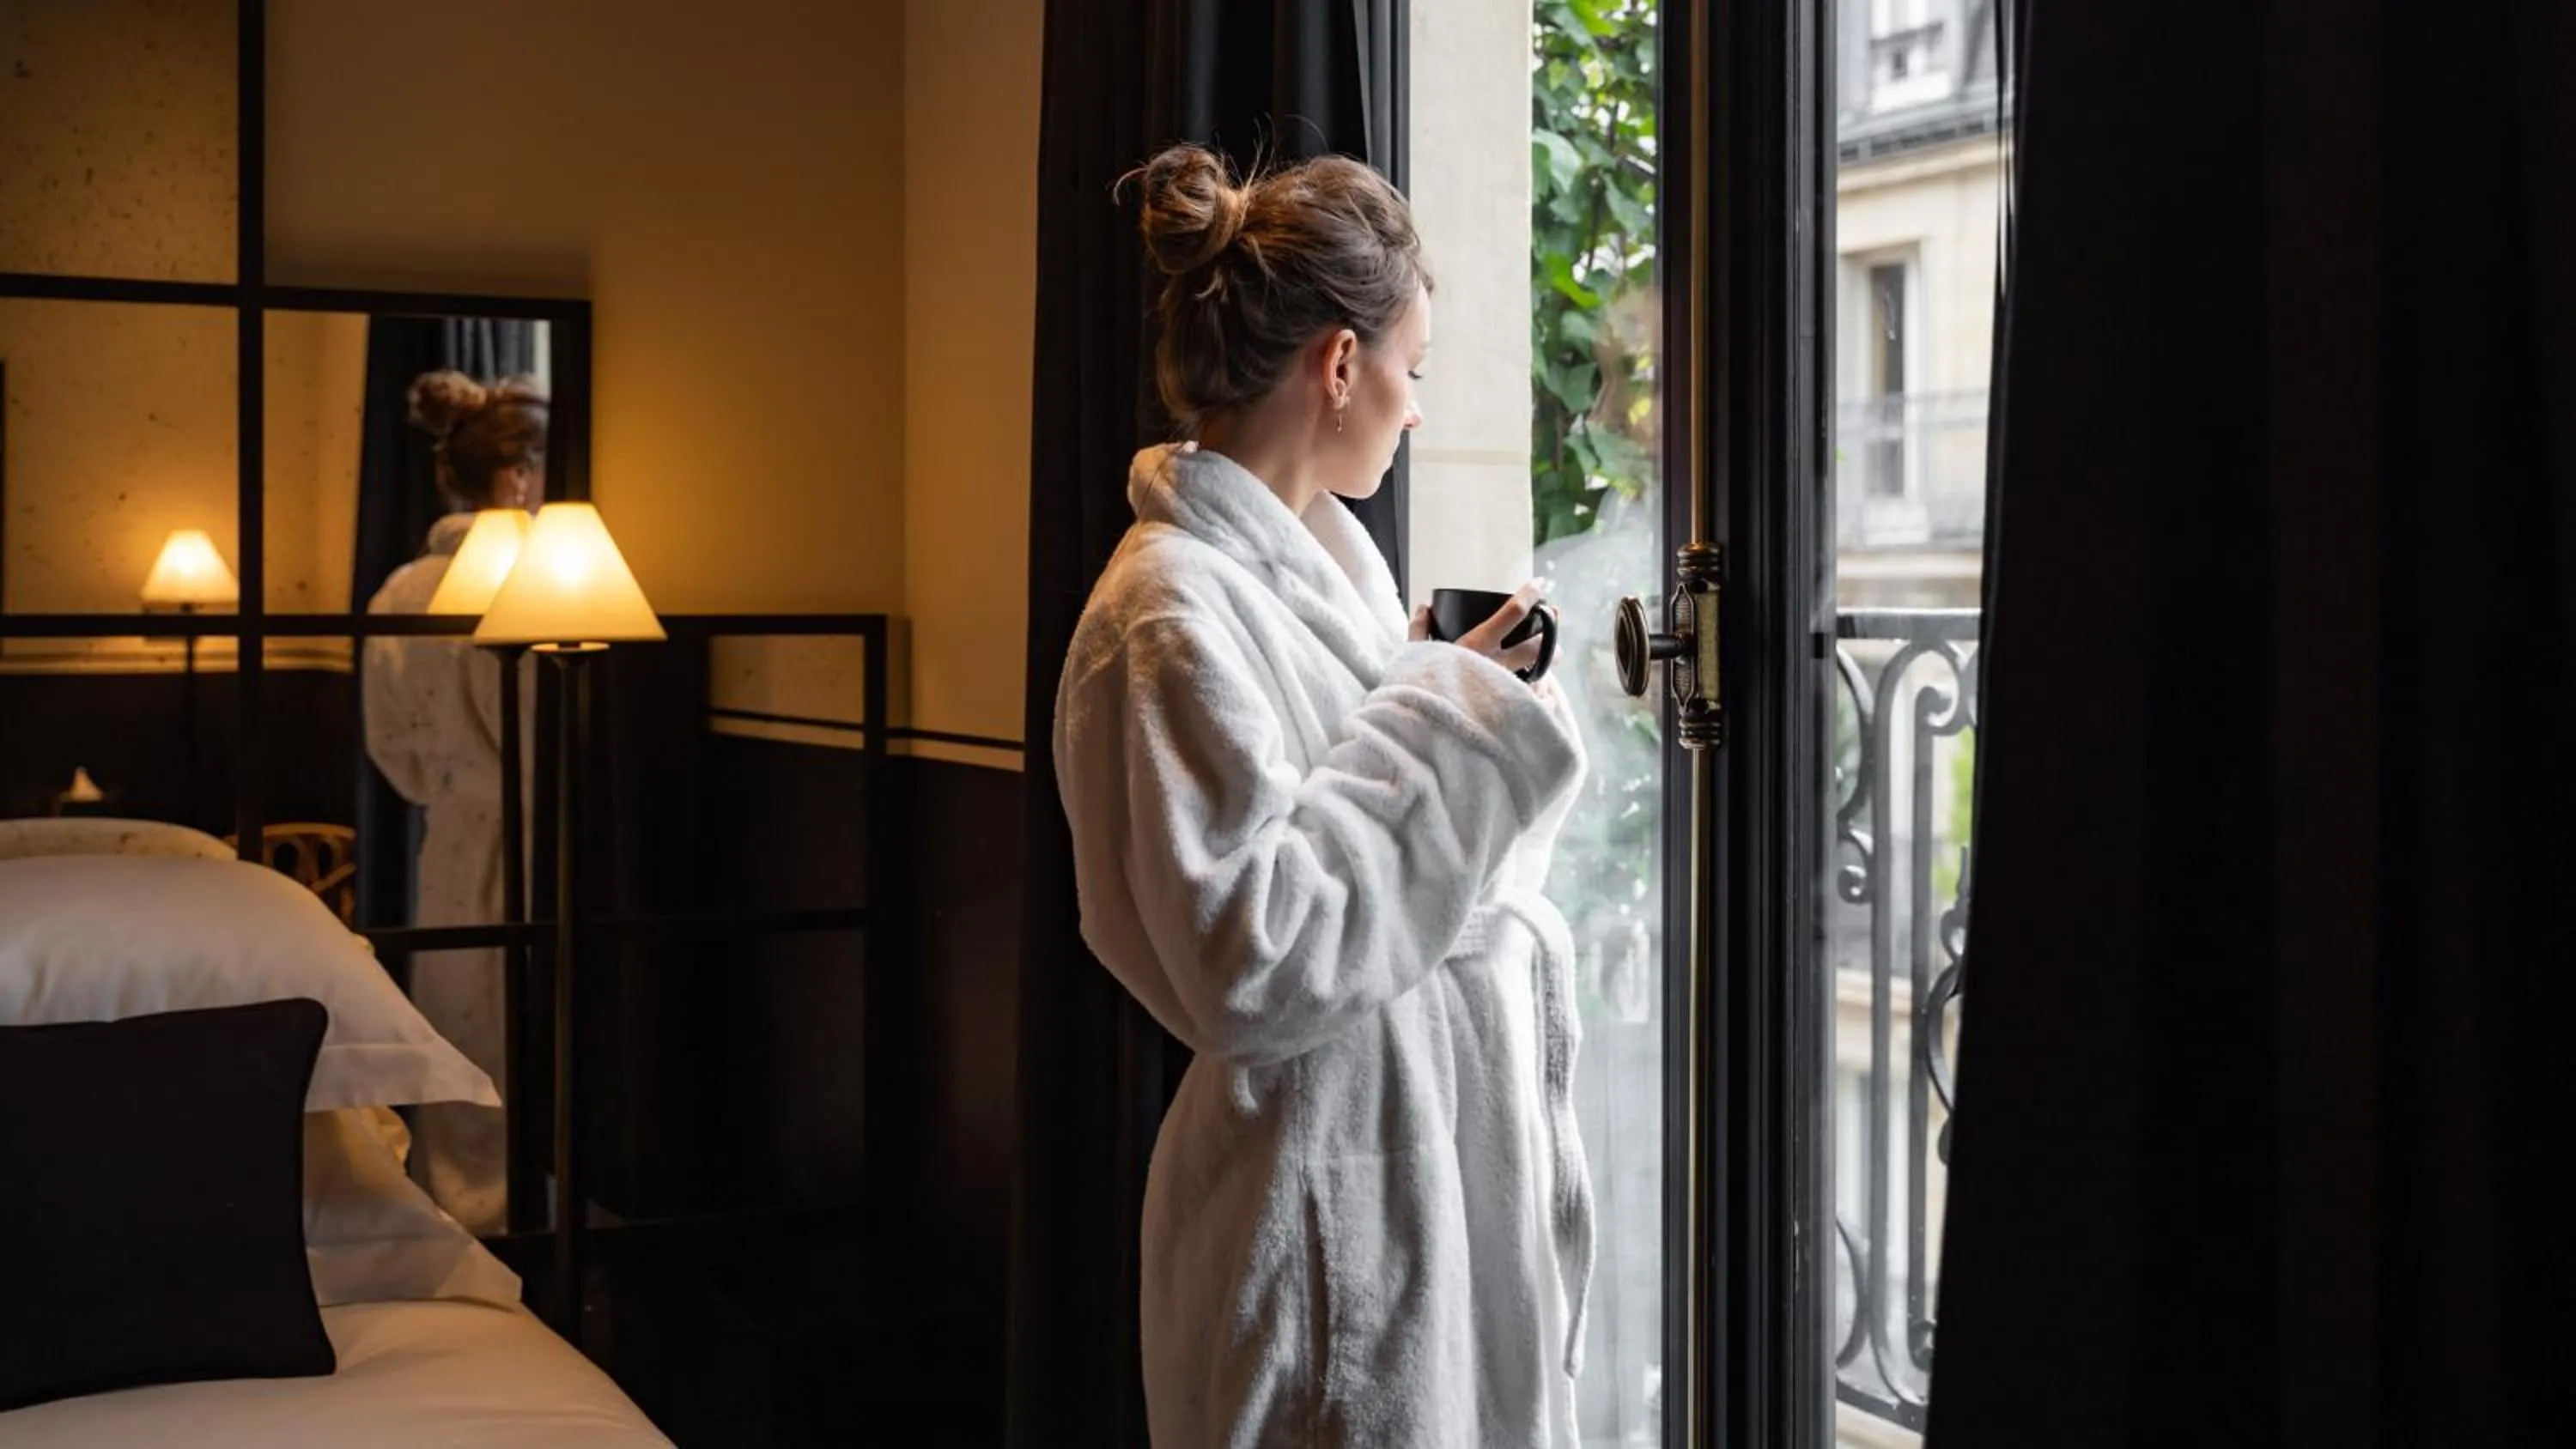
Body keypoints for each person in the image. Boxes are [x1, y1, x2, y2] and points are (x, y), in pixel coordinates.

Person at [1053, 145, 1592, 1448]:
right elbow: (1250, 960)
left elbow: (1351, 822)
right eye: (1411, 368)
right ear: (1339, 365)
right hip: (1325, 1212)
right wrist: (1438, 717)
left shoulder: (1310, 578)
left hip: (1424, 1178)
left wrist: (1410, 684)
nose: (1415, 409)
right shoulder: (1166, 614)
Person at [361, 369, 543, 1235]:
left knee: (463, 1046)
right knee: (533, 1044)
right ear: (517, 475)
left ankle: (454, 1239)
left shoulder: (401, 590)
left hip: (449, 844)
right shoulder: (547, 581)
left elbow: (390, 750)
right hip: (539, 843)